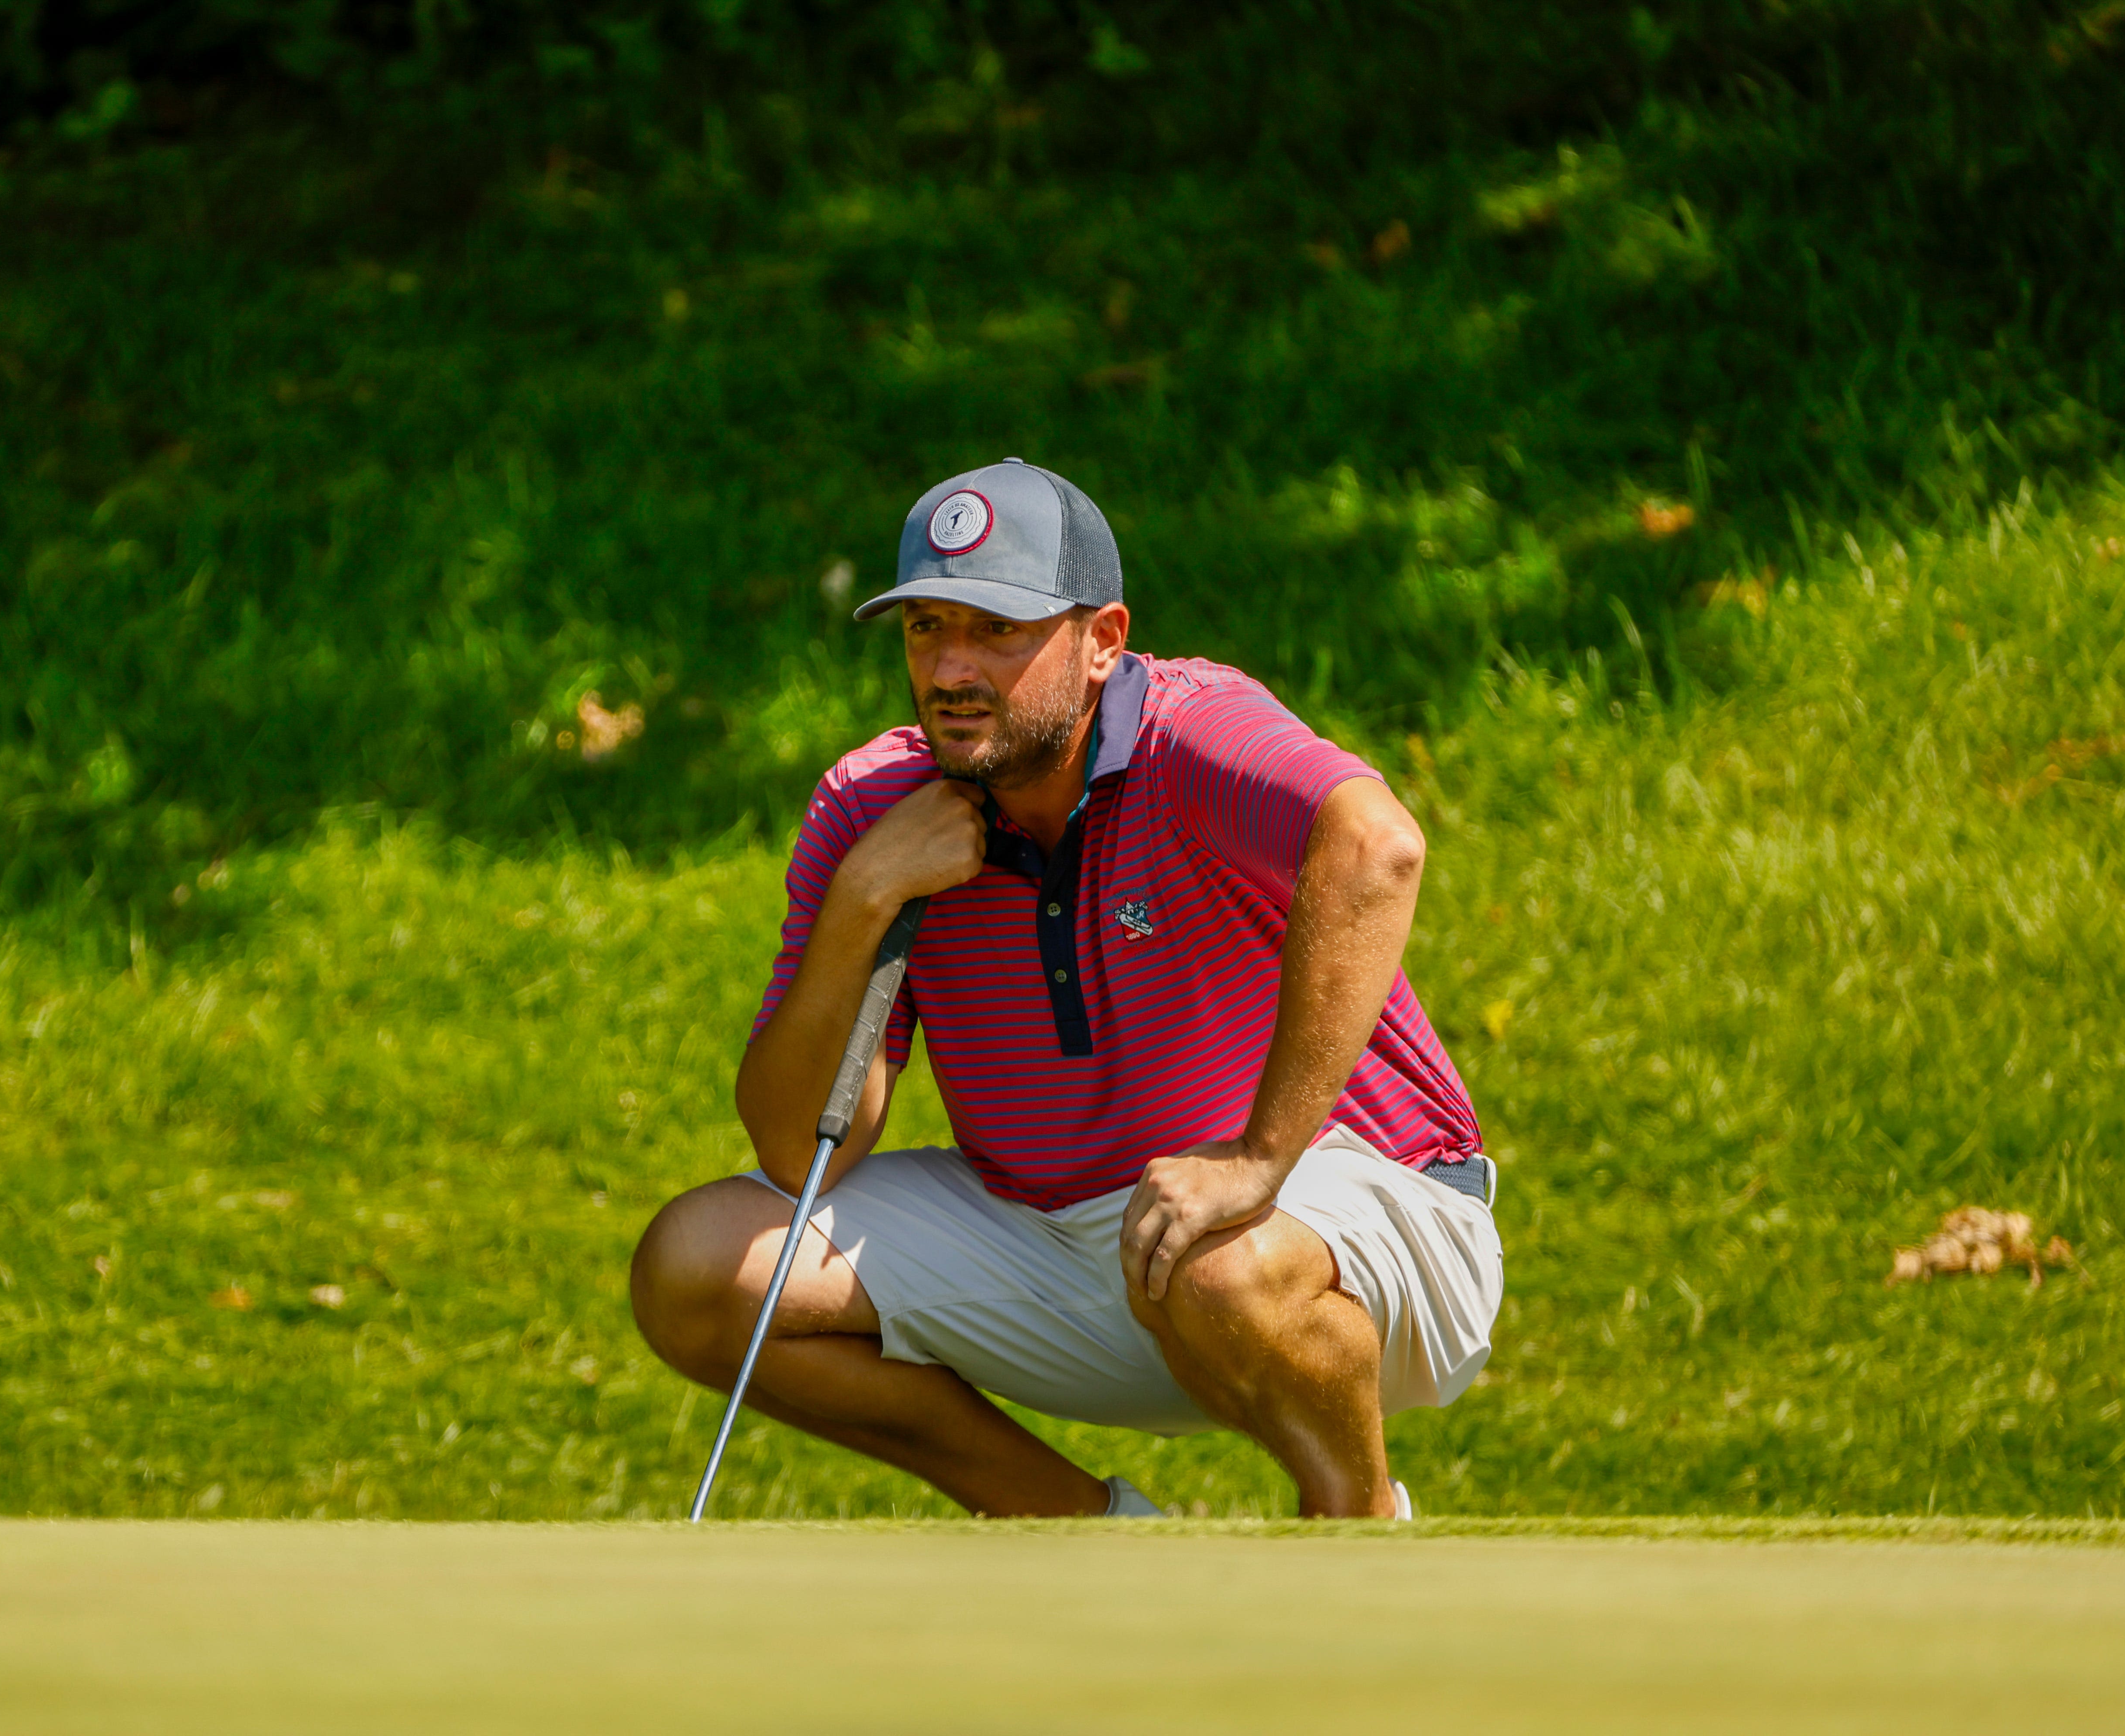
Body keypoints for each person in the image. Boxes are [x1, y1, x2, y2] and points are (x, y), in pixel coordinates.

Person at [629, 458, 1502, 1519]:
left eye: (997, 629)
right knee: (697, 1270)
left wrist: (1257, 1159)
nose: (952, 667)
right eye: (926, 628)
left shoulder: (1193, 732)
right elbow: (797, 1147)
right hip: (1058, 1237)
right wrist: (866, 895)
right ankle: (1090, 1538)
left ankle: (1359, 1541)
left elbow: (1378, 846)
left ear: (1103, 641)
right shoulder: (871, 808)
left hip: (1351, 1212)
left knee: (1219, 1267)